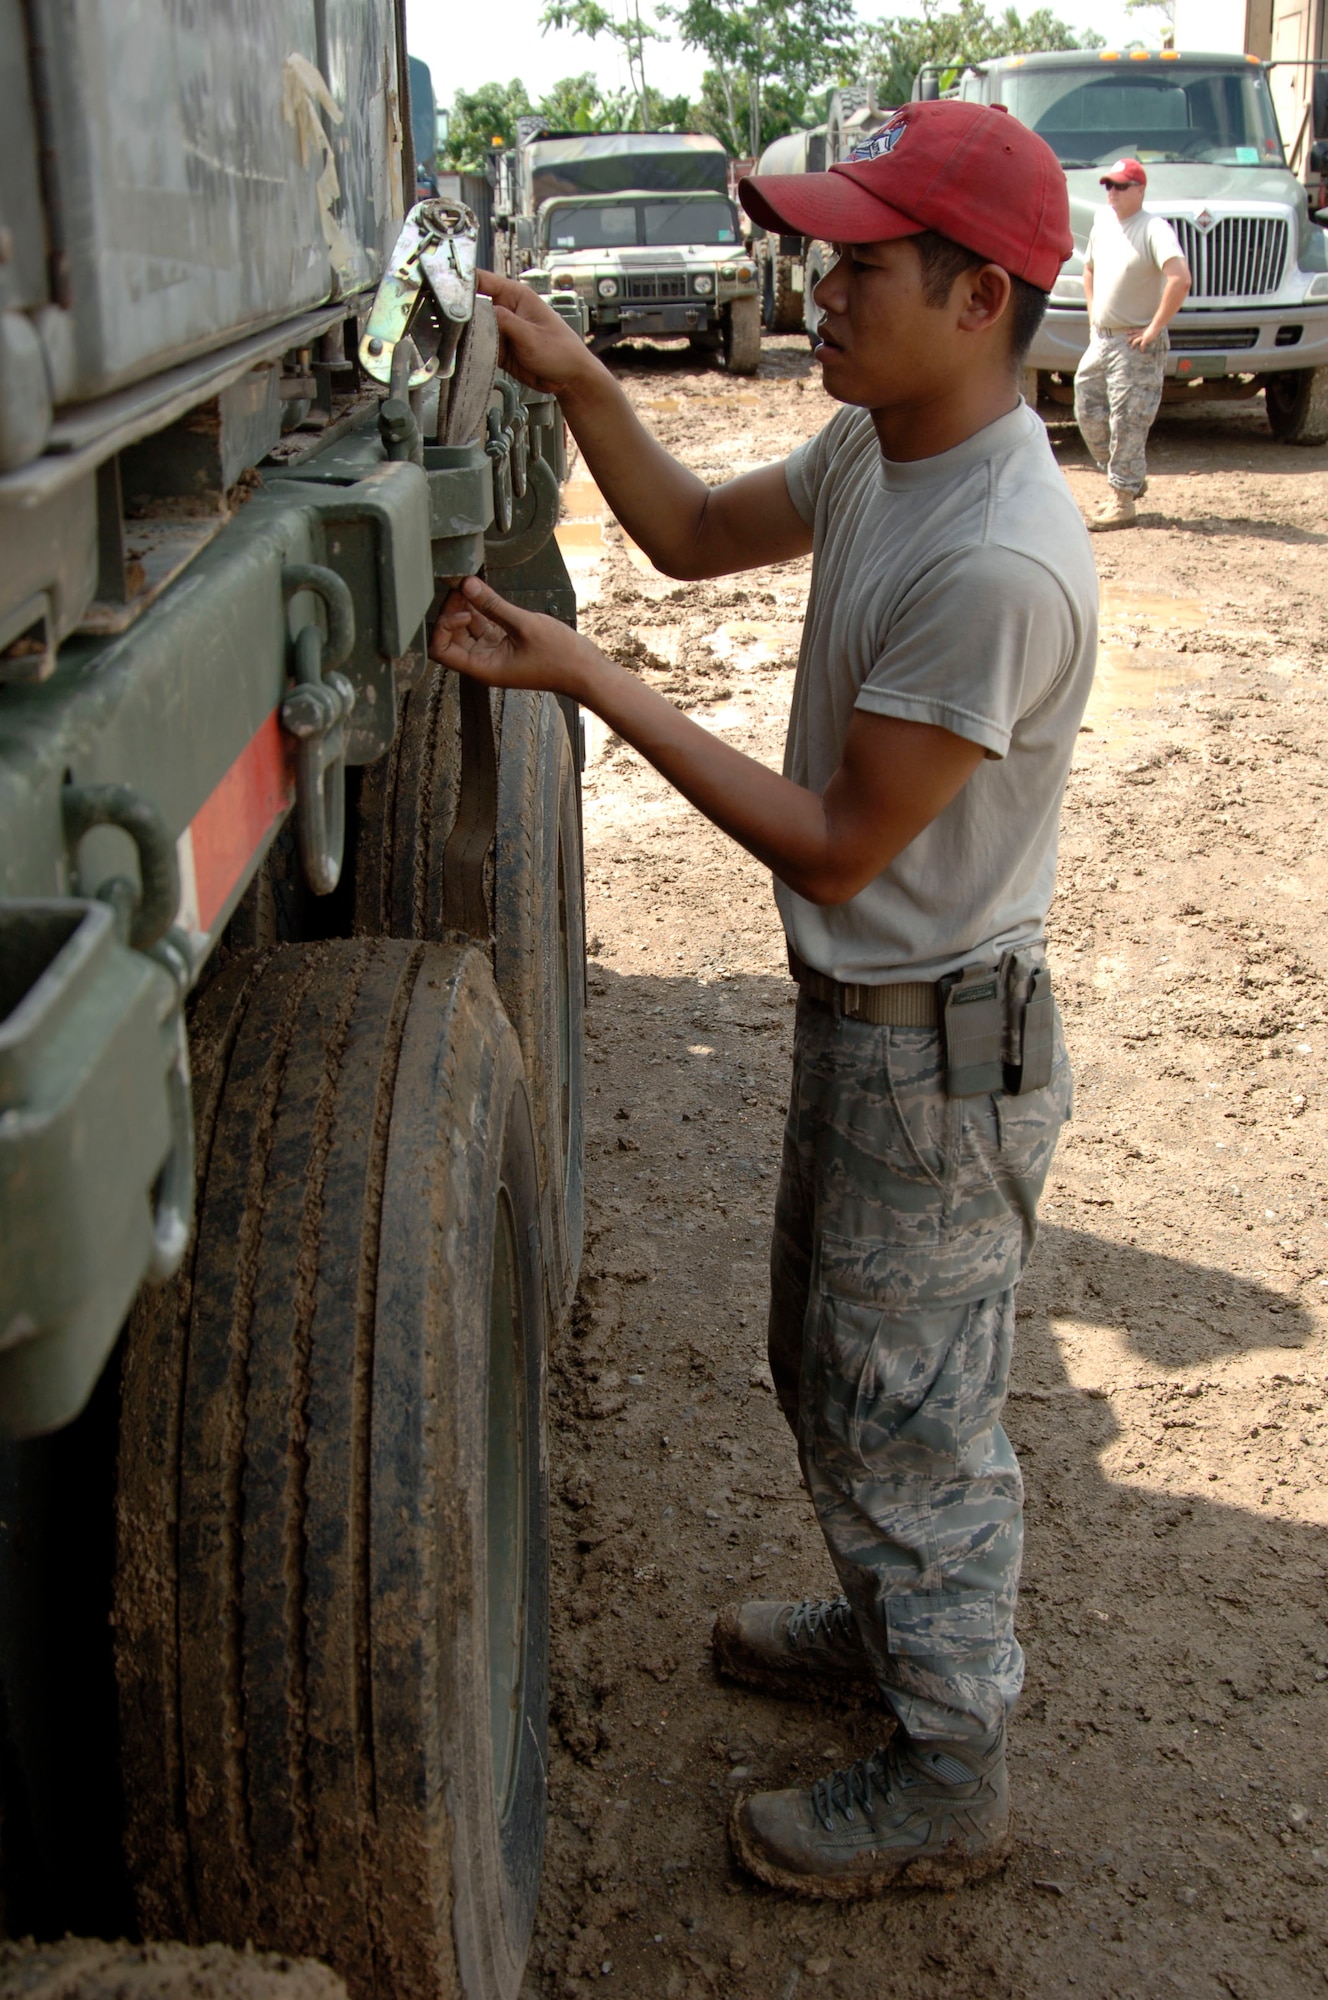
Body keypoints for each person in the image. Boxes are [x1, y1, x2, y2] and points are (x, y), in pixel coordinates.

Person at [431, 98, 1098, 1899]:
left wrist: (585, 683)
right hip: (875, 1027)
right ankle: (893, 1631)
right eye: (814, 250)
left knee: (911, 1417)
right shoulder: (883, 446)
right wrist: (578, 382)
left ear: (977, 298)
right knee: (826, 1359)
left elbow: (829, 846)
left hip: (936, 1047)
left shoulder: (996, 559)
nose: (812, 286)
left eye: (854, 264)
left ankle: (950, 1765)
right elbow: (686, 531)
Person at [1074, 157, 1191, 531]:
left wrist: (1154, 328)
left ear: (1140, 190)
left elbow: (1179, 279)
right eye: (1108, 185)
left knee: (1128, 420)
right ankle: (1130, 477)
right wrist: (1094, 316)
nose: (1112, 192)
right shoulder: (1103, 223)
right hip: (1103, 338)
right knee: (1087, 408)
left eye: (1121, 186)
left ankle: (1122, 499)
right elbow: (1088, 269)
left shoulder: (1154, 228)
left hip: (1135, 342)